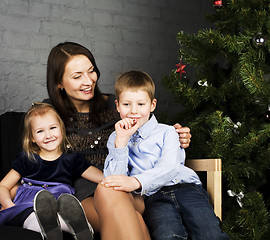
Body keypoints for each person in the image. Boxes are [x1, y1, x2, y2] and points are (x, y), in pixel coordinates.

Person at [43, 41, 192, 240]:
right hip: (82, 195)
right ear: (59, 83)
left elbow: (151, 134)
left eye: (91, 71)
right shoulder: (47, 115)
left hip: (129, 187)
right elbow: (40, 157)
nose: (88, 81)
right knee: (134, 220)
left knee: (111, 191)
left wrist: (178, 136)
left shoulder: (119, 104)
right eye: (77, 76)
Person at [102, 71, 230, 240]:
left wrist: (136, 181)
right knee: (168, 235)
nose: (134, 111)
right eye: (126, 104)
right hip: (153, 197)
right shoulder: (116, 138)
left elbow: (170, 167)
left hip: (185, 189)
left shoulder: (167, 131)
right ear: (117, 106)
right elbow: (114, 180)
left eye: (141, 104)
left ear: (152, 105)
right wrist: (122, 142)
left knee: (209, 233)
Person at [0, 102, 102, 240]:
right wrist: (7, 204)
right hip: (30, 202)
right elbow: (3, 185)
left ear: (61, 129)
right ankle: (55, 228)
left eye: (52, 128)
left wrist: (119, 180)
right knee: (31, 216)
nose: (48, 135)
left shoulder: (72, 159)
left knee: (60, 212)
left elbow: (100, 177)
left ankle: (79, 227)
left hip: (59, 202)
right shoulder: (27, 158)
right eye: (40, 131)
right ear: (32, 138)